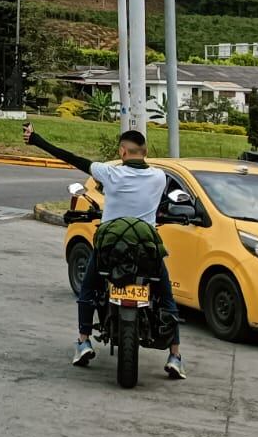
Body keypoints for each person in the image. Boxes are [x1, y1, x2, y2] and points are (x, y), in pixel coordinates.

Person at [23, 124, 184, 380]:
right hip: (146, 249)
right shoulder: (158, 178)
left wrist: (36, 140)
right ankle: (175, 356)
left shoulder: (109, 173)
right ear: (144, 152)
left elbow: (71, 158)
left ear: (122, 151)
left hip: (110, 248)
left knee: (87, 290)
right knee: (166, 297)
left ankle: (84, 341)